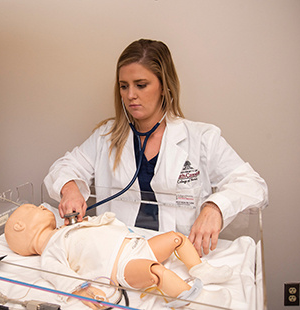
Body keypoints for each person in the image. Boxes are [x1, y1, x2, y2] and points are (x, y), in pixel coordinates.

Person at [43, 38, 268, 256]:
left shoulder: (202, 138)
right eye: (124, 86)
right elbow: (65, 167)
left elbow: (254, 186)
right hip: (119, 255)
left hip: (179, 256)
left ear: (164, 86)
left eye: (141, 85)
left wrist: (214, 208)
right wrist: (70, 188)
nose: (131, 95)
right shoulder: (107, 136)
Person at [4, 204, 233, 309]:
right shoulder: (51, 251)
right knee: (156, 271)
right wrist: (83, 289)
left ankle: (200, 269)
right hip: (123, 265)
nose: (44, 207)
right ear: (19, 226)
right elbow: (59, 275)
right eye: (35, 208)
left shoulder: (66, 229)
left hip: (136, 245)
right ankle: (196, 300)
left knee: (176, 238)